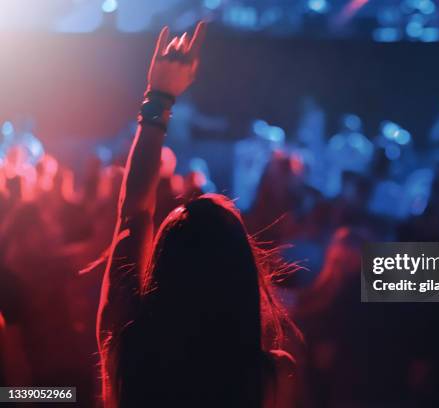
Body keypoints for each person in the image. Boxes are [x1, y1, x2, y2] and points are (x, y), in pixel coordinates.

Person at [97, 23, 297, 407]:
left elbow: (133, 215)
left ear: (163, 263)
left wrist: (159, 97)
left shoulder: (127, 348)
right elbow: (134, 215)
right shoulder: (271, 377)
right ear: (241, 272)